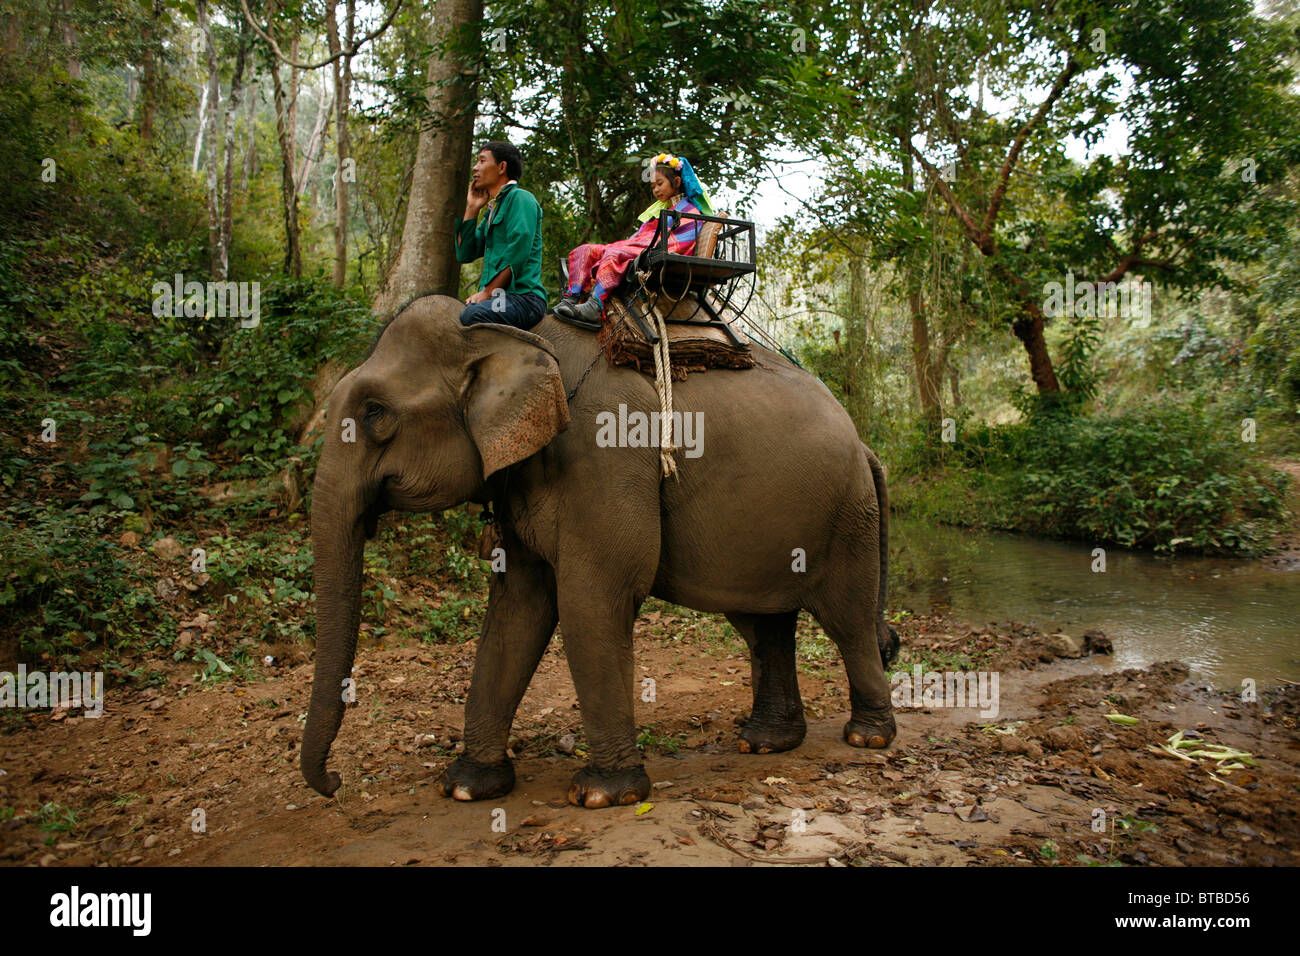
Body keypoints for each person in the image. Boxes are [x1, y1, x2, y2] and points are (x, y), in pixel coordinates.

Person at [554, 152, 715, 324]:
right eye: (653, 186)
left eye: (660, 184)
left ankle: (595, 304)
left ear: (676, 182)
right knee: (585, 250)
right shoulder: (660, 211)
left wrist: (641, 246)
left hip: (655, 251)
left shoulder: (690, 211)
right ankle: (571, 298)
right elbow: (643, 236)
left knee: (614, 253)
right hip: (643, 247)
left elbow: (676, 243)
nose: (656, 190)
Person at [454, 141, 547, 330]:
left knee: (473, 314)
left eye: (482, 161)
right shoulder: (492, 211)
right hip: (501, 299)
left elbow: (518, 251)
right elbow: (465, 253)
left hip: (523, 299)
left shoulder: (521, 199)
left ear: (502, 167)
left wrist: (487, 292)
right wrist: (472, 208)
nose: (475, 167)